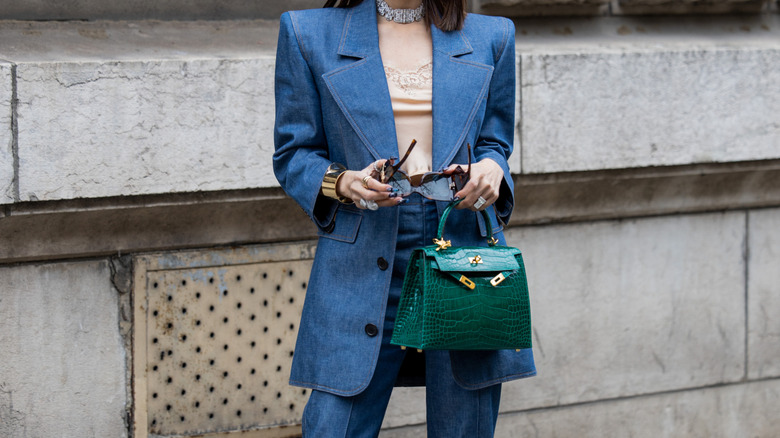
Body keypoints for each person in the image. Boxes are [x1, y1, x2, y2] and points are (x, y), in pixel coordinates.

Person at [273, 0, 536, 436]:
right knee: (333, 426)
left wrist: (492, 171)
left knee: (464, 424)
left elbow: (495, 144)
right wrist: (343, 182)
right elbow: (293, 153)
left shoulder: (492, 37)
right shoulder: (307, 33)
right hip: (364, 248)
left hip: (461, 250)